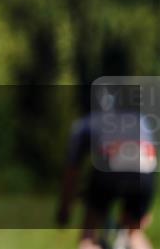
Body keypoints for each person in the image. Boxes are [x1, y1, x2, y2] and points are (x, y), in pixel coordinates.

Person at [58, 87, 157, 249]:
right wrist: (144, 210)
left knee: (89, 235)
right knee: (134, 233)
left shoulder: (87, 122)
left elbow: (72, 171)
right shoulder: (142, 120)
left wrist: (64, 209)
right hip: (144, 173)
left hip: (110, 171)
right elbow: (150, 158)